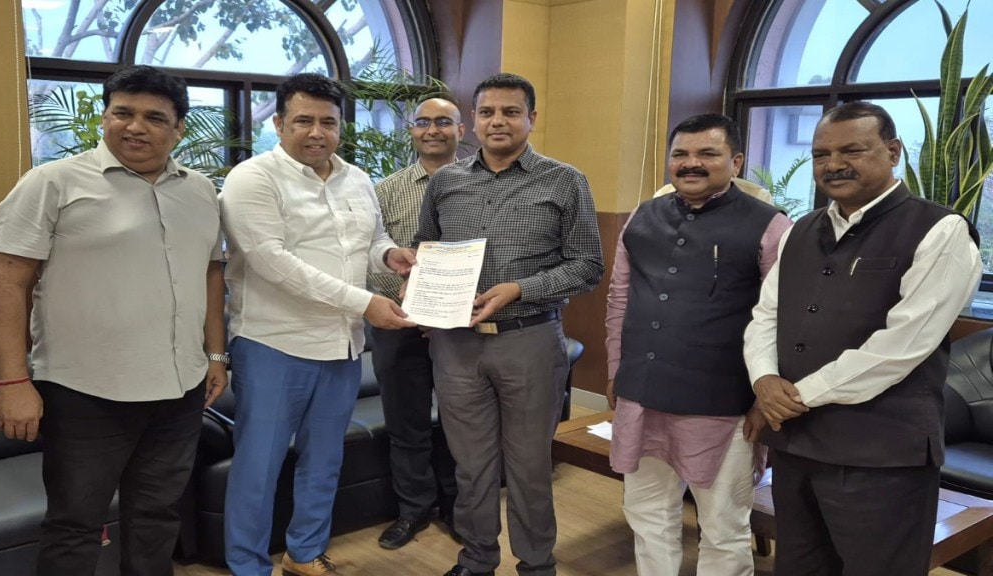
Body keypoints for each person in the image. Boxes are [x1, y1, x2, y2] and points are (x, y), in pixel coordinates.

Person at [0, 64, 228, 576]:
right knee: (75, 524)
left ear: (179, 128)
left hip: (179, 389)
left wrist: (215, 355)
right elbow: (3, 279)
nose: (135, 127)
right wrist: (13, 380)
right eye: (123, 113)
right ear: (105, 117)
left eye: (154, 117)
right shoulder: (52, 183)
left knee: (157, 517)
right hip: (86, 393)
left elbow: (209, 272)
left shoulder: (201, 190)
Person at [744, 101, 983, 576]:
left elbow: (902, 346)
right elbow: (766, 314)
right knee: (800, 566)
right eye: (821, 154)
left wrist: (796, 396)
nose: (833, 164)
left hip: (882, 454)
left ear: (892, 151)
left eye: (851, 150)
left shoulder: (940, 230)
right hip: (795, 444)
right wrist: (764, 378)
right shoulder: (800, 230)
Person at [219, 72, 417, 576]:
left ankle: (304, 554)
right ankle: (247, 566)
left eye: (328, 122)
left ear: (340, 126)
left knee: (325, 461)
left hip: (342, 345)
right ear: (279, 122)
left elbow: (369, 240)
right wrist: (364, 302)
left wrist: (389, 254)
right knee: (259, 466)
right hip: (273, 344)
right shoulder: (252, 179)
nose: (316, 132)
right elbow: (272, 262)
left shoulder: (357, 178)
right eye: (303, 120)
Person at [415, 72, 604, 576]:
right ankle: (477, 559)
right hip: (455, 346)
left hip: (530, 339)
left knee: (529, 467)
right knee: (471, 466)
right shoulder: (445, 182)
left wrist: (520, 288)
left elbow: (588, 265)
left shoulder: (565, 180)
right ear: (473, 120)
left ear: (531, 119)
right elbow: (426, 250)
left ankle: (536, 564)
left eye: (510, 112)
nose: (497, 121)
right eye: (487, 112)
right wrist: (428, 298)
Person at [605, 113, 792, 576]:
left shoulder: (770, 226)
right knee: (647, 514)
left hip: (724, 404)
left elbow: (784, 321)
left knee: (724, 527)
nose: (692, 163)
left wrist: (763, 399)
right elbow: (619, 299)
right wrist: (615, 371)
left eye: (708, 153)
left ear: (736, 161)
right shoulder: (642, 217)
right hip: (642, 394)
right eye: (681, 154)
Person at [369, 97, 465, 550]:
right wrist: (412, 301)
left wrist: (445, 308)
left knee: (461, 423)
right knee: (405, 423)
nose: (432, 130)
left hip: (463, 326)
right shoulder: (384, 190)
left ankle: (458, 508)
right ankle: (413, 510)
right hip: (399, 323)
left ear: (461, 130)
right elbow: (368, 254)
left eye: (443, 122)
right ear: (411, 130)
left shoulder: (482, 185)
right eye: (423, 122)